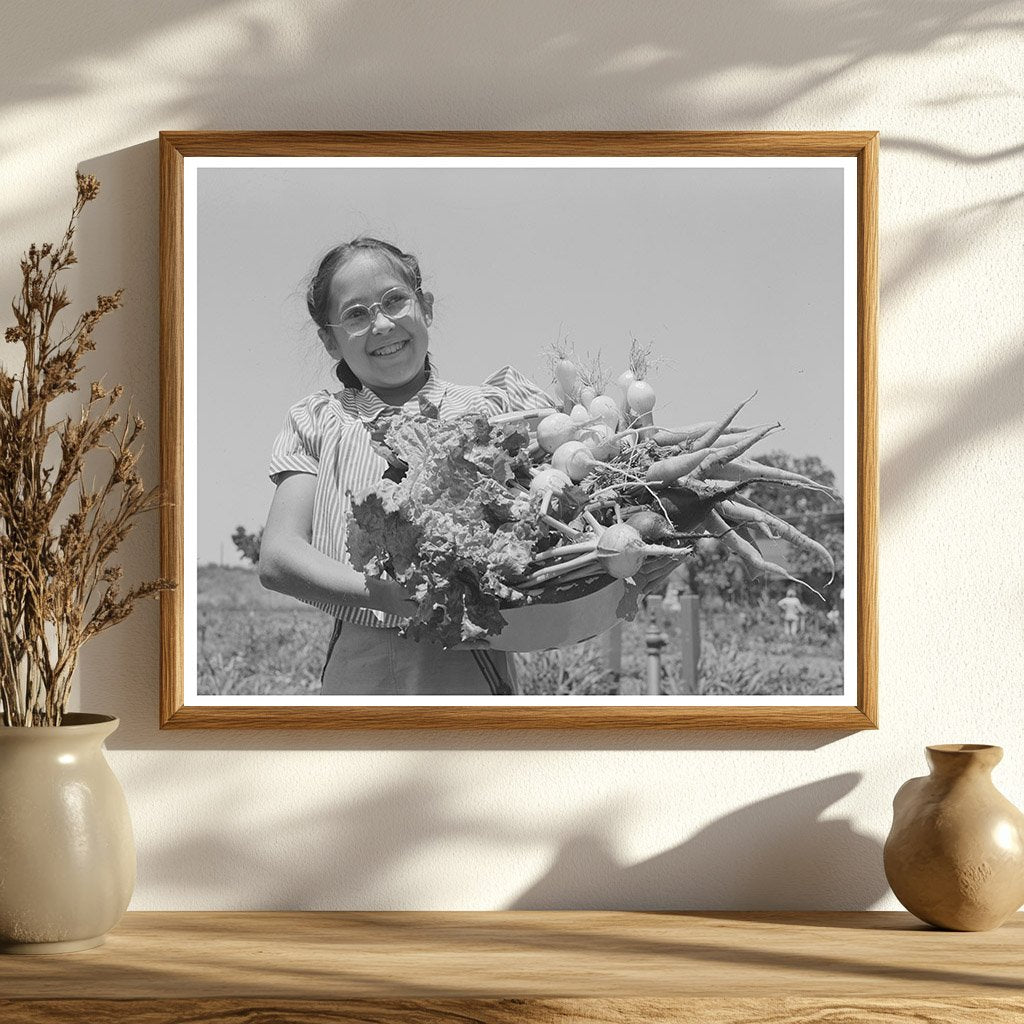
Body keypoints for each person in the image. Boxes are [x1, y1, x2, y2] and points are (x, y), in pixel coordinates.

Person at [259, 237, 680, 697]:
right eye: (355, 314)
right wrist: (388, 596)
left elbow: (585, 508)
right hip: (361, 667)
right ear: (330, 340)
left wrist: (635, 562)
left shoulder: (497, 407)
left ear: (427, 307)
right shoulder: (318, 419)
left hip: (475, 666)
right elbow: (279, 558)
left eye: (395, 300)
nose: (381, 323)